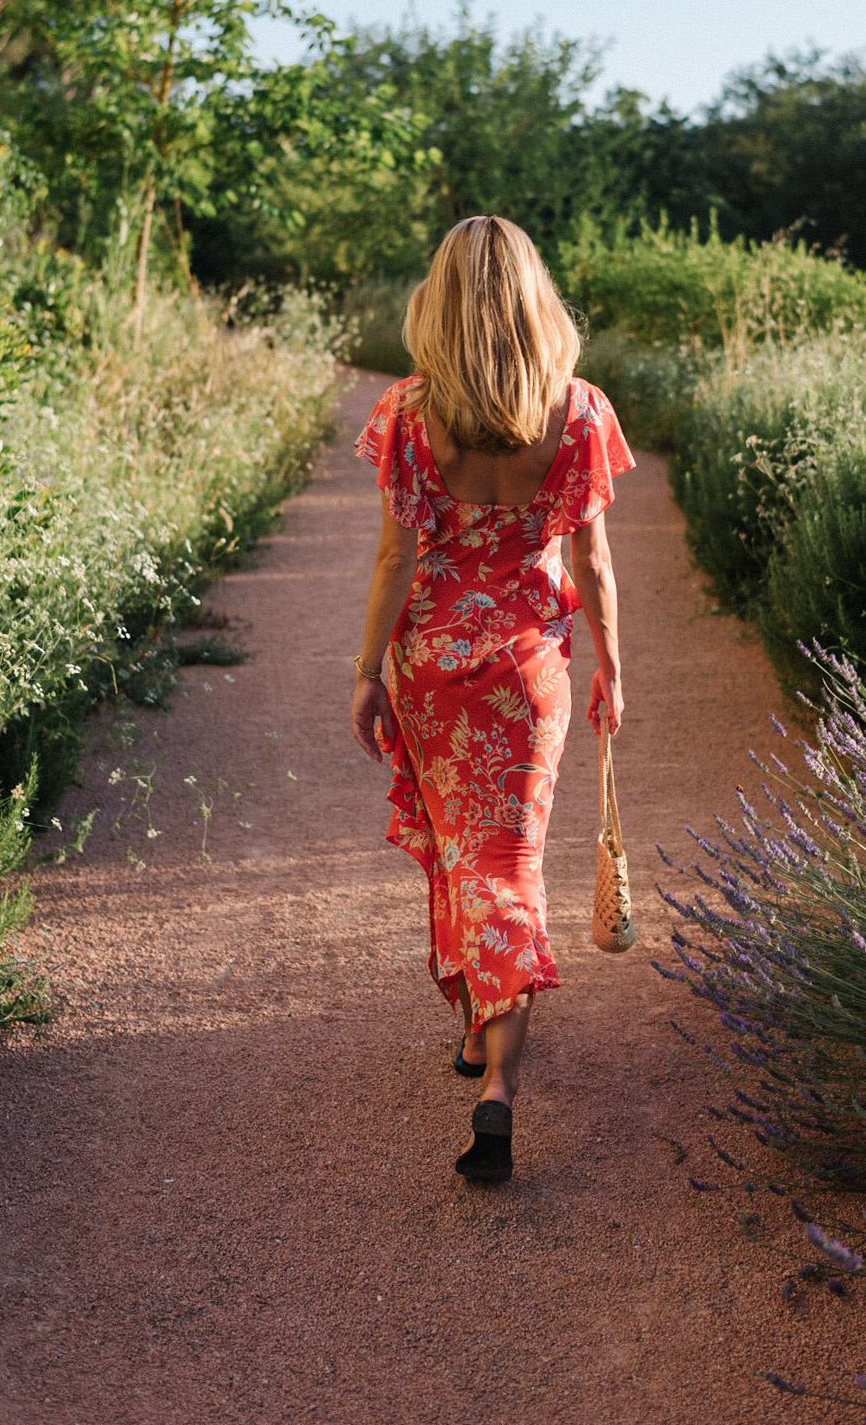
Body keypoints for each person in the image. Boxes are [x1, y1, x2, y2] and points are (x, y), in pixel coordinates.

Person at [350, 216, 633, 1184]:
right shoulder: (581, 413)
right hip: (527, 673)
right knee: (507, 862)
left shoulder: (406, 414)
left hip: (430, 670)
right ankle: (497, 1071)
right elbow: (591, 561)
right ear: (532, 302)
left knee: (462, 860)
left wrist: (362, 673)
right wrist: (611, 665)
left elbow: (397, 561)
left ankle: (485, 1047)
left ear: (440, 306)